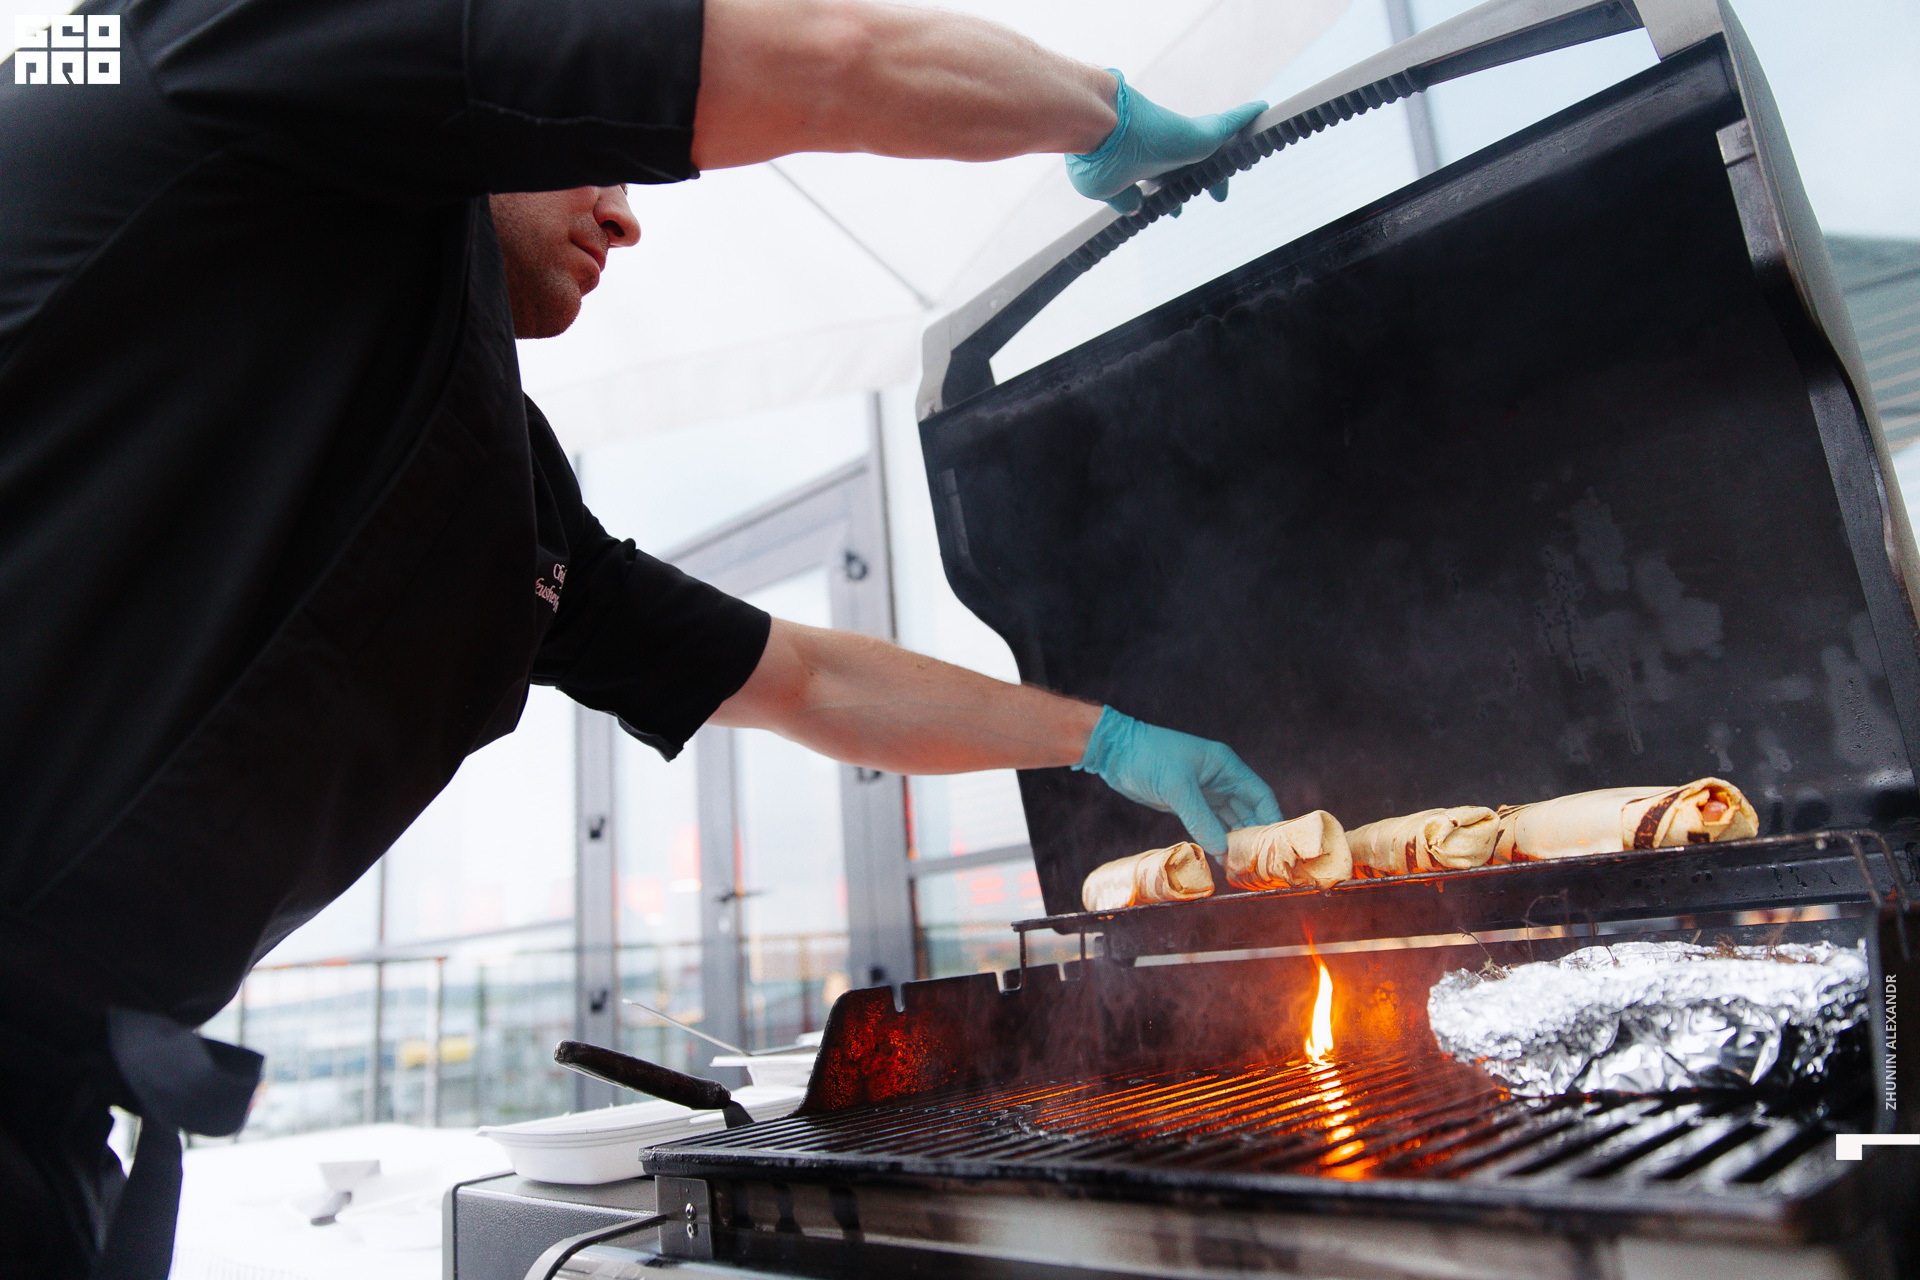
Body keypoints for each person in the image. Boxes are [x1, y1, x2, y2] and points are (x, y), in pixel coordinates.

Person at [0, 0, 1274, 1272]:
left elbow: (807, 677)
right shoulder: (238, 45)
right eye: (594, 160)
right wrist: (1096, 111)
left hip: (51, 1135)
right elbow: (832, 57)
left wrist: (1107, 741)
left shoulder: (505, 496)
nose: (625, 213)